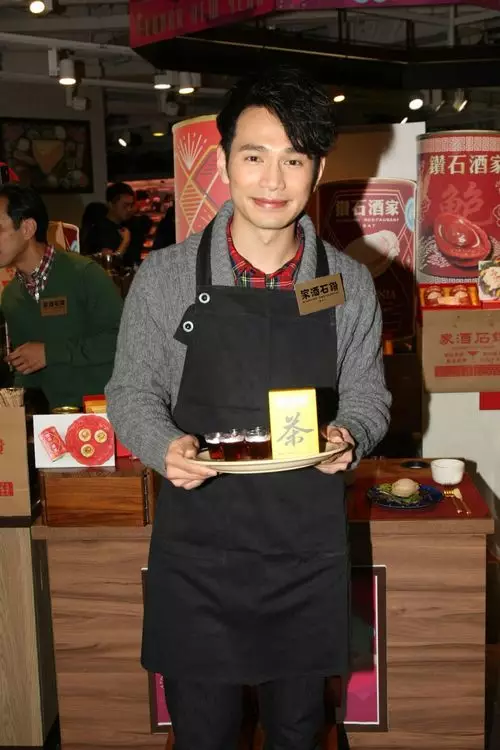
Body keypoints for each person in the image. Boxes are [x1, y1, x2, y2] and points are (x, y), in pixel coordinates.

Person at [106, 67, 391, 750]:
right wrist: (161, 444)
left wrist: (351, 432)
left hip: (304, 548)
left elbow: (368, 394)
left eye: (294, 159)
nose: (273, 179)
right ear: (224, 160)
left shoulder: (346, 282)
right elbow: (131, 390)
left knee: (298, 729)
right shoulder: (167, 277)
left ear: (317, 170)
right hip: (200, 548)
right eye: (255, 156)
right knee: (203, 733)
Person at [0, 184, 123, 410]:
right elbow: (27, 371)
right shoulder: (11, 296)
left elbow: (123, 339)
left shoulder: (84, 274)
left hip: (105, 413)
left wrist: (49, 353)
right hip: (55, 419)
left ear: (27, 228)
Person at [83, 182, 135, 258]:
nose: (129, 209)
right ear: (111, 204)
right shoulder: (100, 230)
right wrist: (125, 243)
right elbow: (108, 262)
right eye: (125, 205)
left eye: (131, 205)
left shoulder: (128, 225)